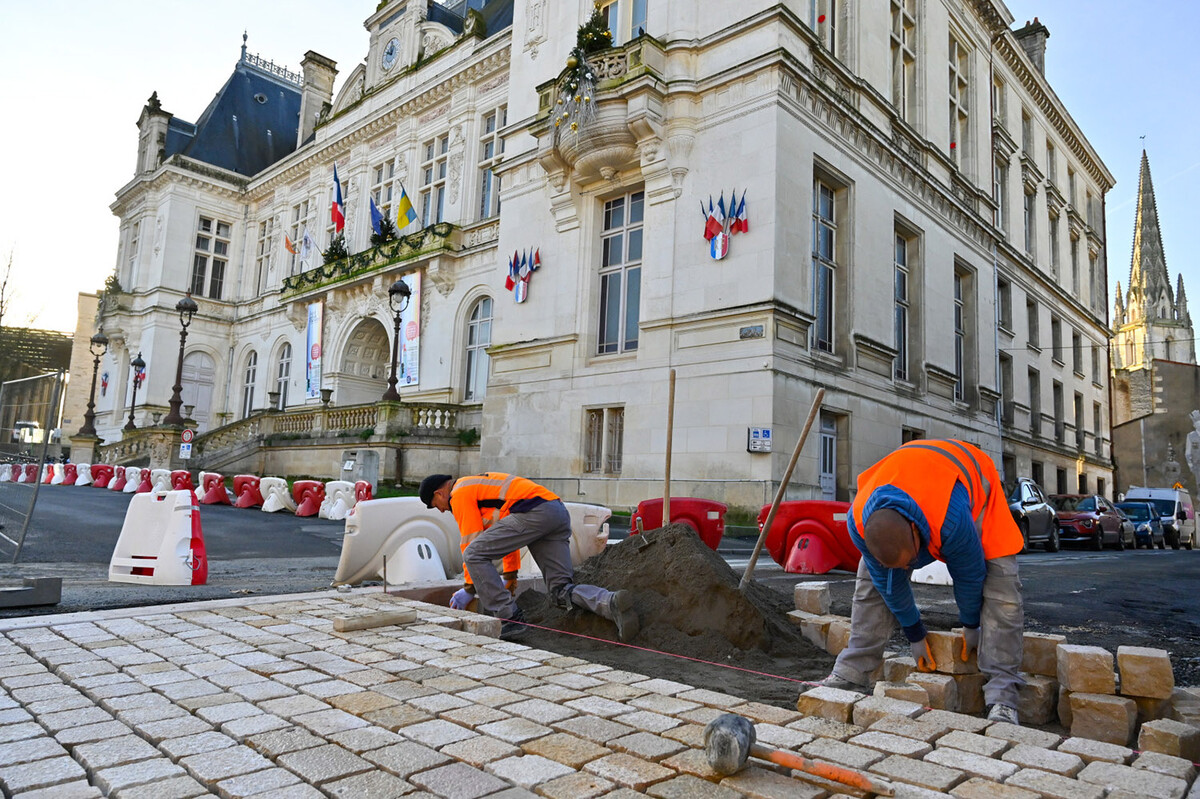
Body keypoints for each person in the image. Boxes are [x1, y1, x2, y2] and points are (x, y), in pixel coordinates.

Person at [816, 439, 1026, 725]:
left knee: (1003, 588)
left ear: (915, 531)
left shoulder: (951, 520)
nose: (906, 570)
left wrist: (971, 624)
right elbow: (889, 583)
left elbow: (970, 574)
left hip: (971, 485)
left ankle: (1003, 696)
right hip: (911, 479)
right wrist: (914, 632)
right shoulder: (858, 522)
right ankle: (851, 673)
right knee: (872, 582)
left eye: (909, 562)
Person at [419, 472, 638, 642]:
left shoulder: (459, 494)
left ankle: (509, 618)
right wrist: (511, 575)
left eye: (434, 505)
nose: (439, 510)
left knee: (474, 553)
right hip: (556, 512)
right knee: (559, 590)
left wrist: (469, 589)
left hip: (534, 513)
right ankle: (609, 602)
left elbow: (471, 544)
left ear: (439, 493)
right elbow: (505, 535)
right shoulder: (477, 487)